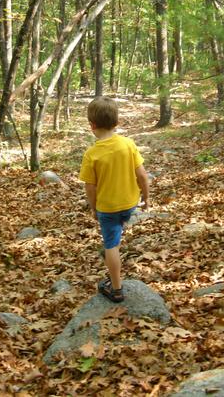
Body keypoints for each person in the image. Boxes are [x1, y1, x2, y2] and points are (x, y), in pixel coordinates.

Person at [79, 96, 149, 303]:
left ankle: (116, 289)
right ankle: (115, 266)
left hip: (108, 208)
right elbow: (143, 176)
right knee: (116, 237)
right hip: (129, 203)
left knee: (110, 245)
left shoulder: (92, 154)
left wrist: (93, 208)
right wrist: (146, 199)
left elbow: (90, 187)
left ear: (91, 125)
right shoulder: (128, 144)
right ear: (117, 123)